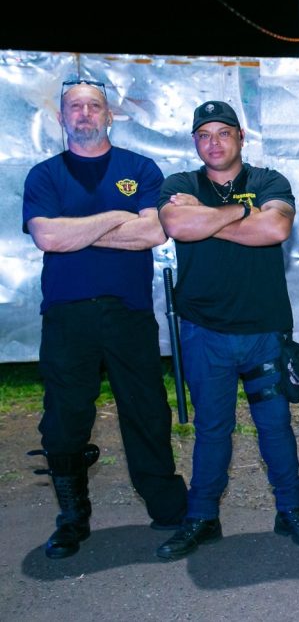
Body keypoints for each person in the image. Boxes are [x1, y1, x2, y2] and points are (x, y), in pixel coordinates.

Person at [21, 78, 188, 559]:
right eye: (75, 107)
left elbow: (152, 233)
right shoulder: (45, 175)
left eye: (94, 106)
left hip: (128, 313)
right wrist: (117, 216)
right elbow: (48, 238)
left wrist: (76, 232)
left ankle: (168, 509)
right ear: (61, 118)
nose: (85, 114)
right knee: (64, 418)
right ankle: (73, 518)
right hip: (66, 314)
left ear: (109, 115)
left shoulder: (140, 168)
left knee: (147, 410)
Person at [154, 100, 299, 559]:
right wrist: (242, 215)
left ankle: (291, 510)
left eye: (223, 133)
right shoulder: (180, 185)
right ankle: (202, 517)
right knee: (212, 428)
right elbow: (177, 224)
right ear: (195, 141)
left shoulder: (268, 181)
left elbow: (275, 230)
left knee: (275, 426)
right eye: (204, 135)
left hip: (263, 330)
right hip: (203, 330)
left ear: (241, 137)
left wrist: (209, 217)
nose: (214, 143)